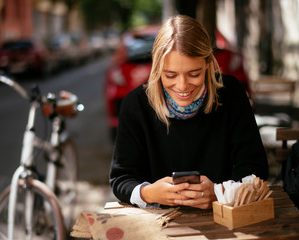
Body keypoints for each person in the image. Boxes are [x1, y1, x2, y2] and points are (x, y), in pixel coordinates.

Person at [109, 15, 268, 210]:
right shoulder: (136, 104)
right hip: (159, 224)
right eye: (170, 75)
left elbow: (256, 169)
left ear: (208, 64)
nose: (182, 86)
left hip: (222, 219)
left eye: (194, 74)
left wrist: (220, 193)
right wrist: (149, 193)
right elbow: (120, 179)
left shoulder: (231, 93)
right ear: (157, 68)